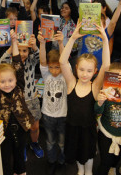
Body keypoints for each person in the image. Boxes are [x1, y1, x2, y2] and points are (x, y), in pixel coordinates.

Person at [59, 21, 110, 175]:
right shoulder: (71, 83)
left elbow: (106, 66)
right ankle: (80, 171)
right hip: (72, 127)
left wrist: (105, 40)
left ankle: (88, 172)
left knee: (88, 154)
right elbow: (62, 61)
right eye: (81, 69)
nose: (84, 74)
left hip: (88, 129)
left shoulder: (95, 87)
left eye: (89, 71)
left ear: (95, 71)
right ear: (76, 69)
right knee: (74, 152)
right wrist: (73, 38)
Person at [0, 29, 35, 175]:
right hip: (2, 129)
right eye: (2, 81)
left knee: (20, 153)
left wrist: (15, 42)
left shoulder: (19, 86)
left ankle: (20, 172)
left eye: (10, 80)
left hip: (21, 126)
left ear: (16, 79)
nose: (7, 84)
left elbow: (18, 63)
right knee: (4, 156)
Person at [0, 35, 44, 159]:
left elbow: (40, 57)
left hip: (32, 99)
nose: (22, 54)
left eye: (24, 50)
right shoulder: (10, 62)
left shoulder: (31, 59)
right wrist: (11, 46)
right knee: (21, 129)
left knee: (34, 126)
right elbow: (1, 62)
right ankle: (22, 147)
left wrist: (34, 46)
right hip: (17, 101)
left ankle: (34, 143)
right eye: (18, 50)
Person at [95, 62, 121, 175]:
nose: (116, 80)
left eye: (120, 77)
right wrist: (100, 102)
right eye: (112, 77)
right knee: (105, 161)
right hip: (106, 132)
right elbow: (97, 111)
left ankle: (113, 167)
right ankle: (107, 167)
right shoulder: (106, 92)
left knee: (117, 157)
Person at [38, 30, 67, 175]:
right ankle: (51, 161)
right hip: (48, 115)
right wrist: (42, 44)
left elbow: (65, 61)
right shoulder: (46, 74)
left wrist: (61, 43)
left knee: (62, 142)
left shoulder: (66, 76)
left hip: (62, 115)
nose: (54, 71)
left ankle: (61, 161)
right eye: (51, 67)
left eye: (57, 67)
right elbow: (43, 61)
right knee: (50, 141)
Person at [51, 0, 79, 66]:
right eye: (62, 7)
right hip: (58, 51)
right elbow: (54, 7)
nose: (63, 9)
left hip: (72, 53)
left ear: (71, 11)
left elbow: (74, 8)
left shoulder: (75, 20)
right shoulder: (59, 19)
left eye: (66, 8)